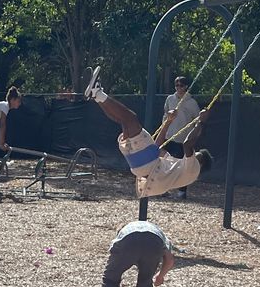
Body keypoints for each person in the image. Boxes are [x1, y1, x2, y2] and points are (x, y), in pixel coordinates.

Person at [83, 67, 212, 198]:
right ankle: (96, 95)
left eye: (197, 154)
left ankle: (97, 93)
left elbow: (187, 144)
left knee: (130, 118)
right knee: (125, 121)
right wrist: (168, 122)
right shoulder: (177, 167)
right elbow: (157, 148)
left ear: (201, 162)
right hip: (140, 166)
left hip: (149, 165)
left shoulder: (194, 169)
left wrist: (201, 122)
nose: (194, 154)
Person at [162, 76, 200, 199]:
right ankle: (163, 188)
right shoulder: (170, 99)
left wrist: (194, 136)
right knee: (165, 164)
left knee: (182, 166)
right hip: (169, 137)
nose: (178, 88)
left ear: (186, 87)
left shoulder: (192, 103)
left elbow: (197, 120)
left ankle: (182, 191)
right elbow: (165, 114)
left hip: (183, 139)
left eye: (181, 85)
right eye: (176, 85)